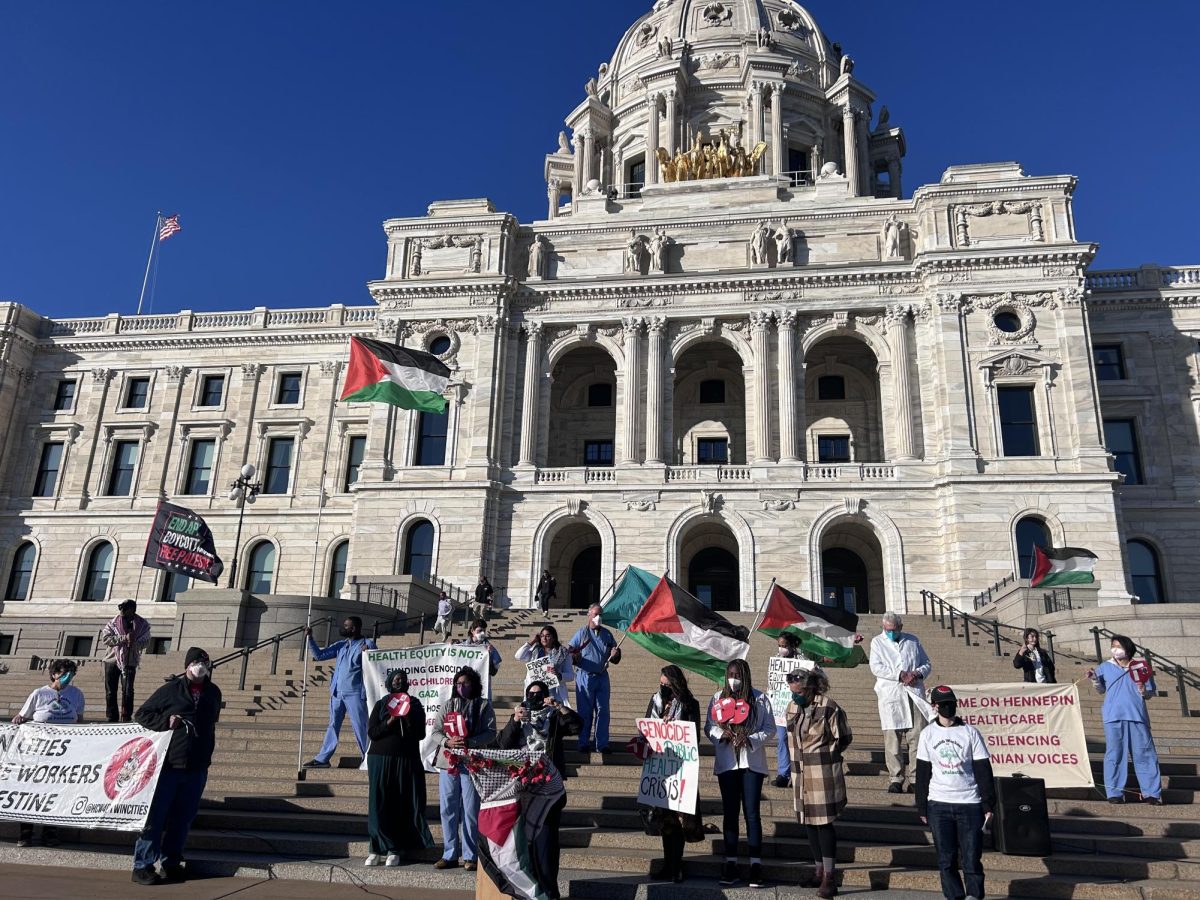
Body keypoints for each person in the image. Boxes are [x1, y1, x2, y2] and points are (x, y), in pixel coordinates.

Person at [131, 647, 222, 885]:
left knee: (182, 819)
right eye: (195, 662)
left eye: (204, 662)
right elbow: (141, 715)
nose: (200, 666)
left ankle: (171, 862)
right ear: (187, 666)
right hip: (169, 765)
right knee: (156, 817)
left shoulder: (213, 692)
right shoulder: (171, 690)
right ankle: (143, 864)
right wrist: (165, 722)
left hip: (197, 765)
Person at [497, 680, 578, 899]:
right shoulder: (520, 715)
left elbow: (576, 726)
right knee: (524, 844)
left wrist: (559, 706)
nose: (534, 698)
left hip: (549, 789)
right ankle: (528, 890)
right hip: (524, 789)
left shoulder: (553, 718)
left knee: (546, 845)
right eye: (530, 694)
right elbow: (503, 745)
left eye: (538, 694)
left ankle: (549, 891)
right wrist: (514, 721)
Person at [915, 685, 995, 900]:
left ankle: (974, 895)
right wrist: (921, 805)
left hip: (969, 802)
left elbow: (983, 770)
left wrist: (988, 804)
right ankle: (954, 896)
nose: (949, 707)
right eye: (944, 704)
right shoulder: (927, 734)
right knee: (946, 859)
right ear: (935, 707)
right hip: (938, 803)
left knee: (971, 858)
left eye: (951, 703)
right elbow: (923, 772)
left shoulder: (970, 732)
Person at [705, 658, 773, 889]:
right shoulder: (717, 699)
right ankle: (731, 862)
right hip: (728, 763)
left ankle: (755, 865)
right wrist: (719, 734)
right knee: (730, 813)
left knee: (752, 814)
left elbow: (769, 728)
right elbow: (709, 725)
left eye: (738, 675)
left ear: (745, 676)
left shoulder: (760, 699)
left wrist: (751, 739)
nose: (734, 679)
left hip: (751, 763)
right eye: (730, 675)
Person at [787, 668, 852, 899]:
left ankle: (830, 876)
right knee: (809, 823)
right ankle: (818, 870)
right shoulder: (792, 707)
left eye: (799, 691)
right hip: (801, 773)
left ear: (811, 688)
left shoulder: (829, 707)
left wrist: (827, 754)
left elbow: (844, 737)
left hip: (822, 773)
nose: (795, 695)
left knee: (823, 824)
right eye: (792, 690)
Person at [12, 658, 85, 847]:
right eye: (63, 674)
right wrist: (18, 721)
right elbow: (23, 716)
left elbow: (80, 721)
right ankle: (26, 832)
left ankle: (50, 831)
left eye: (71, 674)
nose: (67, 678)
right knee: (30, 789)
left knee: (55, 791)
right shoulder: (39, 694)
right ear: (54, 674)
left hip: (63, 753)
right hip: (37, 752)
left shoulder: (76, 694)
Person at [364, 669, 433, 867]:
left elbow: (420, 734)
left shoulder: (415, 704)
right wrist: (390, 721)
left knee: (399, 803)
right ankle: (375, 847)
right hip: (379, 758)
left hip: (405, 759)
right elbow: (373, 732)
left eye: (402, 680)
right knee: (378, 803)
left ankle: (395, 849)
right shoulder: (381, 704)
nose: (399, 682)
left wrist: (407, 717)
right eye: (395, 679)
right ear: (388, 683)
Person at [431, 666, 497, 871]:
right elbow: (435, 732)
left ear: (474, 684)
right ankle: (449, 854)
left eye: (465, 683)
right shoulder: (448, 704)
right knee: (448, 808)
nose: (461, 687)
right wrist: (447, 742)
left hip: (471, 763)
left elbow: (491, 733)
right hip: (448, 763)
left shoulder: (484, 706)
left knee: (470, 810)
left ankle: (470, 856)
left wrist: (471, 741)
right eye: (458, 683)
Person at [646, 665, 704, 884]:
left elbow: (693, 737)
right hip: (660, 766)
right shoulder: (655, 702)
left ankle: (676, 865)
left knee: (679, 820)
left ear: (676, 684)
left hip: (681, 767)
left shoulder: (690, 704)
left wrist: (674, 729)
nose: (663, 689)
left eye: (667, 685)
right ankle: (667, 864)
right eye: (661, 685)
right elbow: (645, 729)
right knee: (665, 819)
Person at [1088, 634, 1162, 804]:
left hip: (1137, 715)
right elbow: (1100, 689)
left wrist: (1143, 689)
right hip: (1113, 716)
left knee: (1145, 754)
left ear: (1127, 648)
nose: (1115, 649)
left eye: (1118, 646)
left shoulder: (1141, 667)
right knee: (1115, 754)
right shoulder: (1105, 666)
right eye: (1113, 646)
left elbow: (1149, 693)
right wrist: (1094, 678)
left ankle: (1152, 793)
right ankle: (1114, 792)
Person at [869, 611, 933, 793]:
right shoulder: (877, 642)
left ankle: (915, 778)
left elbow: (926, 663)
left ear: (900, 628)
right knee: (892, 740)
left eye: (893, 630)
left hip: (914, 692)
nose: (890, 632)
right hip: (891, 694)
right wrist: (900, 675)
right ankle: (896, 778)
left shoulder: (912, 640)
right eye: (886, 629)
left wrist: (917, 673)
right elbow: (876, 667)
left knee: (917, 737)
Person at [303, 616, 377, 768]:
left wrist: (369, 654)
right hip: (337, 692)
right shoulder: (341, 645)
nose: (343, 628)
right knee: (333, 725)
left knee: (360, 726)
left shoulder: (367, 644)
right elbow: (319, 655)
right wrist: (310, 639)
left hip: (355, 693)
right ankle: (323, 758)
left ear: (354, 628)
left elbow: (376, 664)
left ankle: (368, 757)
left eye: (346, 626)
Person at [569, 604, 621, 753]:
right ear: (589, 615)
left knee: (603, 711)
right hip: (585, 676)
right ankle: (583, 742)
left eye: (600, 615)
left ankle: (602, 744)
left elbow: (615, 657)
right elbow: (570, 652)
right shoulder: (582, 633)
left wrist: (616, 654)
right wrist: (575, 657)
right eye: (595, 614)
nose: (598, 617)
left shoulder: (607, 634)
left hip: (602, 676)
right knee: (585, 712)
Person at [100, 598, 151, 723]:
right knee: (110, 691)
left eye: (124, 609)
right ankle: (111, 716)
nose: (121, 612)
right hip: (112, 660)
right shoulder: (113, 623)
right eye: (121, 609)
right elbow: (106, 639)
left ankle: (126, 715)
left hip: (130, 660)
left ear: (132, 610)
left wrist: (134, 643)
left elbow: (145, 642)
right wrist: (123, 638)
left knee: (128, 690)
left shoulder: (142, 624)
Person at [772, 632, 809, 788]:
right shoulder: (776, 661)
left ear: (793, 646)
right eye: (780, 646)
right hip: (781, 707)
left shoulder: (803, 662)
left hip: (799, 707)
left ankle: (800, 772)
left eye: (784, 646)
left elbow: (817, 677)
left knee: (798, 740)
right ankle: (783, 773)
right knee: (782, 739)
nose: (781, 649)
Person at [515, 625, 575, 705]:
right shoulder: (535, 650)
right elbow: (518, 656)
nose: (544, 638)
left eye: (547, 636)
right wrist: (533, 641)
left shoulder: (563, 653)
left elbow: (570, 675)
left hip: (554, 694)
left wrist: (559, 675)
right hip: (535, 693)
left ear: (553, 637)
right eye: (542, 636)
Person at [463, 618, 502, 693]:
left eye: (484, 631)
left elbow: (493, 672)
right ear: (472, 631)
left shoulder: (490, 648)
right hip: (466, 686)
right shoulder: (462, 646)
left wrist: (489, 657)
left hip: (482, 688)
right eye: (479, 631)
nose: (482, 633)